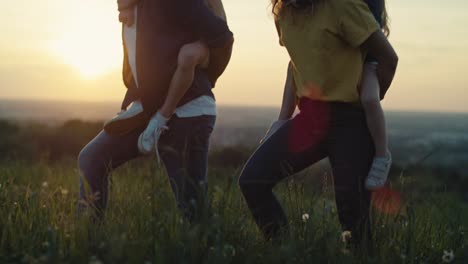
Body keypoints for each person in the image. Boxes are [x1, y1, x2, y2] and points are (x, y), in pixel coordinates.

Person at [239, 0, 398, 243]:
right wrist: (282, 119)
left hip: (351, 122)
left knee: (354, 222)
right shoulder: (283, 13)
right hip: (310, 119)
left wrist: (372, 96)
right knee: (252, 180)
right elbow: (296, 64)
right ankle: (285, 251)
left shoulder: (343, 6)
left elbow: (388, 57)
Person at [78, 0, 234, 221]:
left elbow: (222, 36)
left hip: (188, 109)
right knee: (91, 159)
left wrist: (197, 55)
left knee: (192, 208)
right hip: (148, 107)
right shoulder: (133, 8)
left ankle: (208, 252)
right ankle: (88, 243)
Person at [361, 0, 392, 190]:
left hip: (368, 63)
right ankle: (281, 122)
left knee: (370, 99)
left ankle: (382, 155)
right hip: (346, 59)